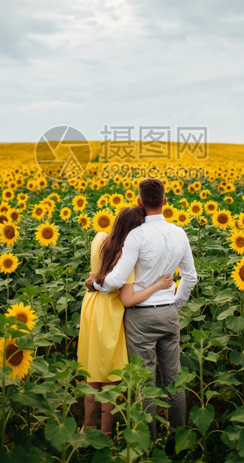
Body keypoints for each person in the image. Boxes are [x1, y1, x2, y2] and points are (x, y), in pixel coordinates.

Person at [87, 178, 197, 440]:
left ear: (139, 202)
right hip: (168, 312)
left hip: (141, 317)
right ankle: (177, 436)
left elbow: (116, 280)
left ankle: (148, 438)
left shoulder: (137, 235)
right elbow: (191, 277)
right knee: (174, 379)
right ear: (165, 202)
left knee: (144, 380)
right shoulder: (179, 233)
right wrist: (174, 302)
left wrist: (95, 285)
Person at [77, 205, 173, 437]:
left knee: (92, 373)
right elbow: (128, 298)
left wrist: (92, 279)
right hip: (110, 315)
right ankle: (106, 433)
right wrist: (157, 286)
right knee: (110, 378)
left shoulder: (98, 239)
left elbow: (94, 275)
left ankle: (86, 428)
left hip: (90, 307)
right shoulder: (126, 259)